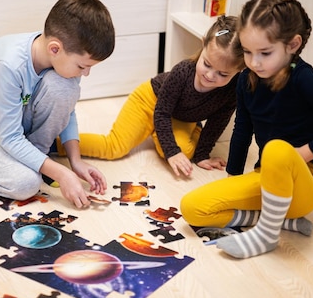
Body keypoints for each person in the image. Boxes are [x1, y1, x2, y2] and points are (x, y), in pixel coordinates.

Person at [180, 0, 313, 259]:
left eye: (264, 53)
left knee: (276, 149)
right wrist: (233, 181)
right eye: (248, 52)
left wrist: (300, 155)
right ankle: (278, 221)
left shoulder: (303, 78)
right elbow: (242, 130)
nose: (254, 62)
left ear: (292, 45)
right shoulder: (246, 80)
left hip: (304, 183)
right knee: (192, 207)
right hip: (266, 178)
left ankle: (267, 235)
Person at [0, 0, 115, 209]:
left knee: (64, 86)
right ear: (54, 49)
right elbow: (9, 137)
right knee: (25, 184)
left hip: (18, 115)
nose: (85, 74)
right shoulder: (9, 65)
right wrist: (61, 174)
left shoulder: (58, 57)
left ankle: (36, 157)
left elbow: (67, 109)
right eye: (82, 66)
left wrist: (75, 162)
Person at [75, 15, 244, 177]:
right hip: (149, 100)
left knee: (185, 153)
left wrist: (202, 155)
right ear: (203, 44)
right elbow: (161, 111)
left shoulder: (232, 91)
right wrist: (171, 152)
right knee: (114, 148)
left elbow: (217, 123)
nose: (210, 75)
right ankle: (58, 144)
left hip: (179, 117)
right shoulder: (182, 72)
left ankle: (160, 131)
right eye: (207, 64)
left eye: (223, 74)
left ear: (240, 70)